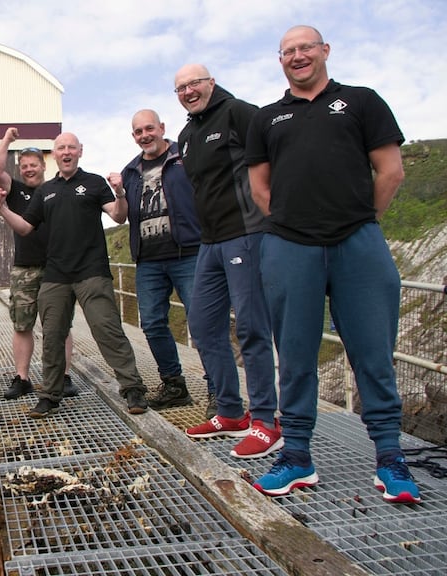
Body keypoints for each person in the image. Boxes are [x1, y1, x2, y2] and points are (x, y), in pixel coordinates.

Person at [246, 25, 420, 502]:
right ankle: (296, 456)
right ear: (280, 60)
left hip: (357, 243)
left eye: (306, 47)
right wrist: (293, 223)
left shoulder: (361, 101)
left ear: (325, 51)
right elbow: (260, 188)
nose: (297, 56)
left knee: (373, 352)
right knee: (295, 355)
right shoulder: (266, 118)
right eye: (288, 51)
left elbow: (391, 170)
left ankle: (390, 458)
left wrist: (360, 221)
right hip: (289, 245)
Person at [0, 132, 150, 418]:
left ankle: (132, 388)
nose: (66, 152)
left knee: (107, 329)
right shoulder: (45, 191)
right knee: (52, 336)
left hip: (92, 271)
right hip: (55, 275)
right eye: (61, 148)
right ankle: (50, 395)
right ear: (55, 154)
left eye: (71, 148)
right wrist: (2, 208)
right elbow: (25, 227)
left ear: (80, 151)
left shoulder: (94, 183)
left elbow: (118, 216)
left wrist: (120, 193)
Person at [175, 65, 281, 459]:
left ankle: (266, 420)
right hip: (210, 241)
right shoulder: (186, 135)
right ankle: (230, 411)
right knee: (203, 325)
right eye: (181, 88)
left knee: (251, 326)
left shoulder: (239, 112)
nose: (189, 91)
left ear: (211, 83)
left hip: (246, 232)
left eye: (194, 83)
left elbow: (275, 158)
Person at [109, 109, 202, 410]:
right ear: (133, 136)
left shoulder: (185, 157)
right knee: (151, 323)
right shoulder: (130, 171)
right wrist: (118, 192)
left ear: (162, 127)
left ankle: (219, 390)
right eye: (138, 131)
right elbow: (121, 216)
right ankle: (174, 385)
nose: (145, 135)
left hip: (189, 254)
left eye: (149, 128)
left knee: (202, 323)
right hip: (148, 260)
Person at [0, 127, 76, 400]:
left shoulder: (55, 189)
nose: (29, 170)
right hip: (24, 268)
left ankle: (64, 377)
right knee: (22, 325)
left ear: (43, 166)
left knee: (61, 326)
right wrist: (7, 139)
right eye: (24, 166)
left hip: (56, 268)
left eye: (33, 165)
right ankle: (22, 378)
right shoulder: (15, 190)